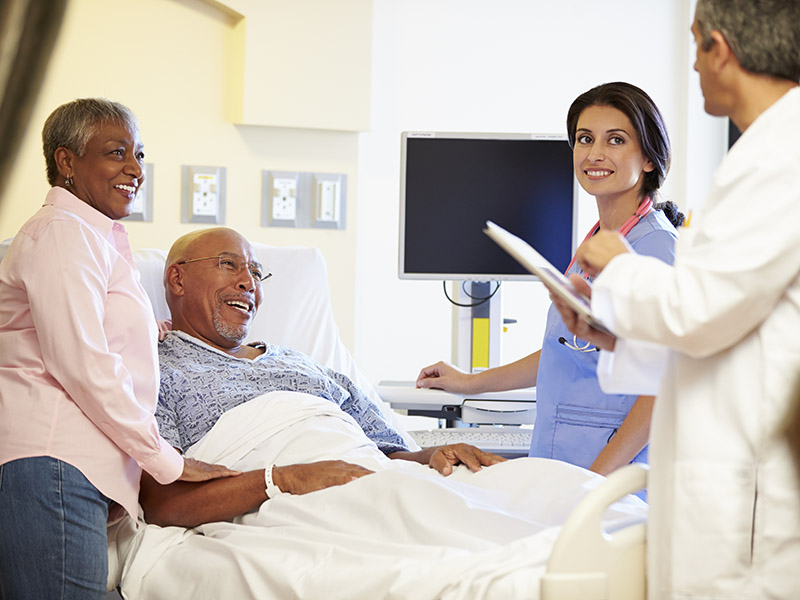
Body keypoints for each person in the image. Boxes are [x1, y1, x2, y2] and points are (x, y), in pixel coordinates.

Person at [549, 1, 800, 597]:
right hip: (721, 458)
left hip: (747, 475)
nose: (692, 65)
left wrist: (619, 270)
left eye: (694, 45)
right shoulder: (762, 155)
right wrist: (609, 333)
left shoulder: (780, 160)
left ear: (721, 48)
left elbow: (699, 313)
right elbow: (729, 327)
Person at [0, 99, 237, 599]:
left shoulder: (91, 238)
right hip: (55, 464)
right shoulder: (63, 235)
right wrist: (166, 461)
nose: (135, 169)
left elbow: (84, 331)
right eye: (116, 153)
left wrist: (148, 331)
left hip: (69, 470)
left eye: (140, 155)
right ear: (66, 162)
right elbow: (82, 363)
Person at [140, 227, 505, 528]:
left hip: (371, 484)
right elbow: (163, 505)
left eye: (255, 271)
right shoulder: (155, 369)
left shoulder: (304, 365)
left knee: (522, 496)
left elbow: (386, 456)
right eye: (229, 265)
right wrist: (283, 479)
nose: (248, 283)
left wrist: (433, 455)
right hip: (292, 508)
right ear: (177, 279)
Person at [417, 82, 684, 477]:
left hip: (607, 474)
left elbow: (663, 384)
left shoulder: (654, 247)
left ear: (647, 158)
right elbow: (565, 351)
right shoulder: (597, 241)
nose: (595, 154)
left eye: (615, 140)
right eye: (584, 138)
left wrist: (597, 480)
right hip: (564, 458)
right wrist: (469, 383)